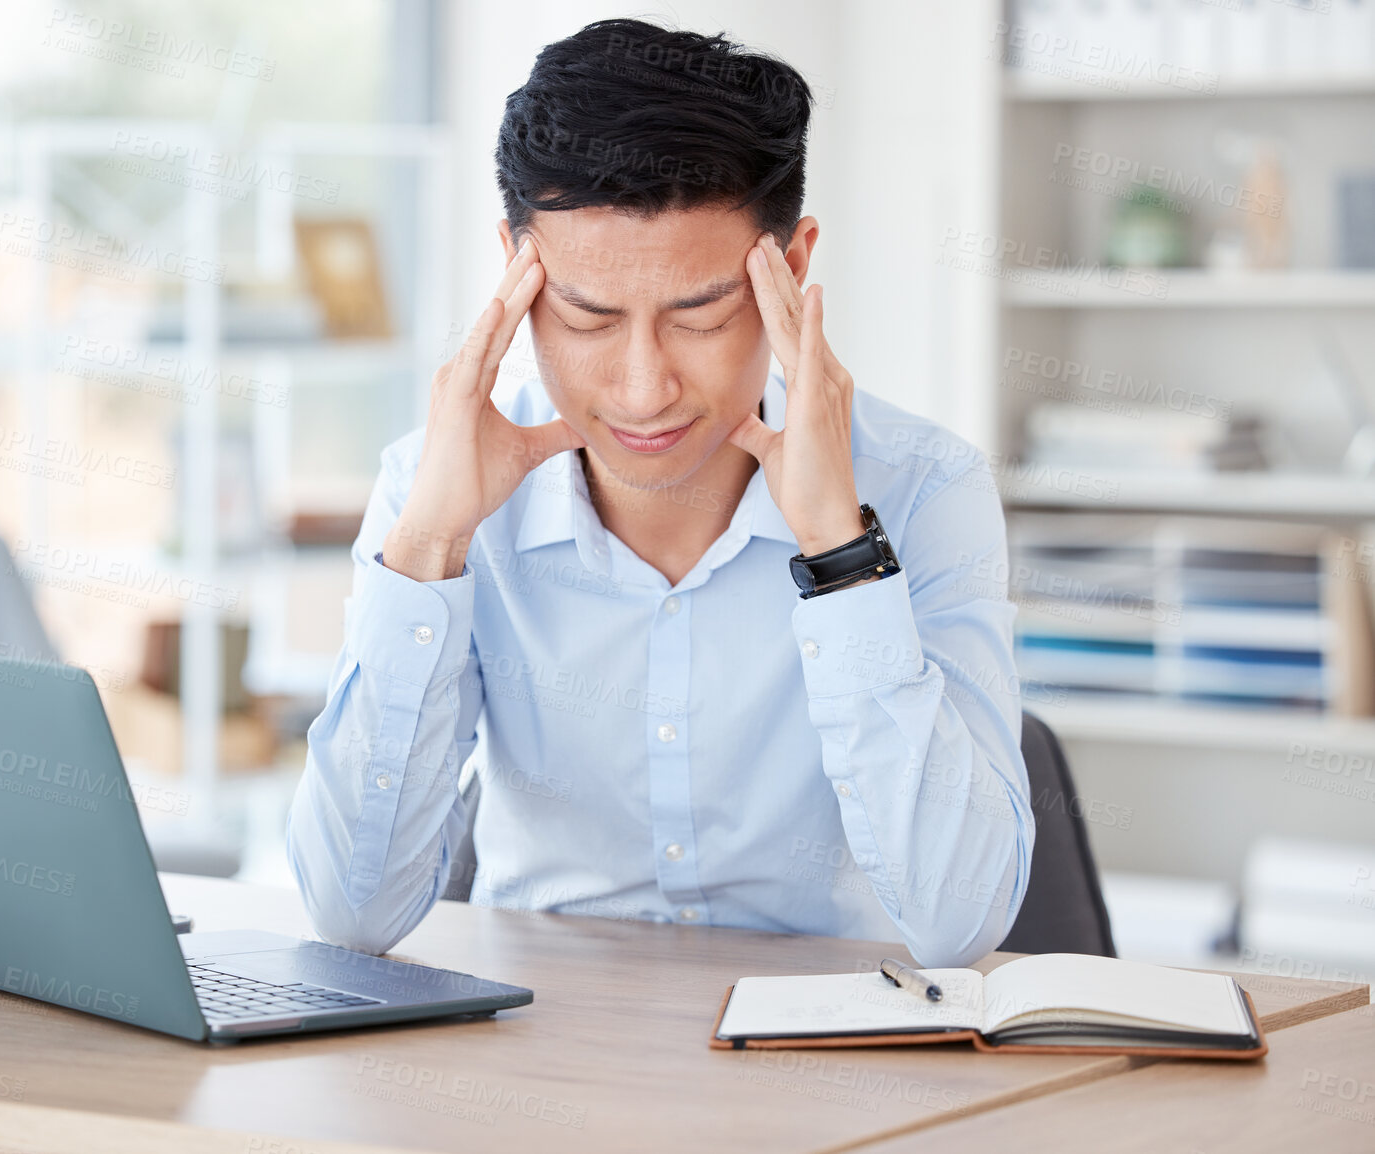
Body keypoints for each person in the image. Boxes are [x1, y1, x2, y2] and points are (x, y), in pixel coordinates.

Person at [287, 18, 1032, 967]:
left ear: (791, 270)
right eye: (585, 317)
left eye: (700, 315)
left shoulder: (925, 488)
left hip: (843, 1063)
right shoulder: (434, 487)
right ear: (516, 268)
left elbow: (960, 923)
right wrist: (429, 545)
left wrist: (839, 551)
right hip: (546, 1056)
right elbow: (351, 916)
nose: (642, 388)